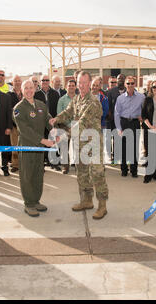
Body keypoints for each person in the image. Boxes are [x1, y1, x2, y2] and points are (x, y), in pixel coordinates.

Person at [50, 71, 109, 220]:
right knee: (82, 173)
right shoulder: (76, 99)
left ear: (89, 84)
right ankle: (86, 201)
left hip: (93, 144)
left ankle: (102, 206)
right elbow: (68, 112)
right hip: (80, 144)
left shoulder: (93, 102)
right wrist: (56, 118)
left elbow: (80, 124)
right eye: (79, 82)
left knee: (97, 174)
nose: (81, 86)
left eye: (84, 83)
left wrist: (63, 136)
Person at [13, 80, 55, 217]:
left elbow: (48, 120)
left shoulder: (41, 105)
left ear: (35, 88)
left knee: (38, 174)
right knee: (27, 175)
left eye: (31, 88)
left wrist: (54, 130)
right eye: (26, 88)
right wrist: (43, 140)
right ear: (22, 90)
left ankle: (36, 200)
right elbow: (25, 130)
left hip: (39, 147)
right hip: (27, 147)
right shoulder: (18, 108)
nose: (29, 91)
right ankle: (29, 204)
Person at [114, 76, 145, 177]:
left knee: (134, 148)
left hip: (134, 123)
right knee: (123, 148)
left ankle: (134, 170)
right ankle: (124, 169)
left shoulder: (141, 97)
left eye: (132, 83)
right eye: (128, 83)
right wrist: (119, 128)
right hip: (124, 123)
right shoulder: (120, 98)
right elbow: (117, 114)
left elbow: (144, 110)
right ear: (125, 85)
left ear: (135, 84)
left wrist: (142, 117)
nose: (130, 85)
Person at [35, 74, 60, 170]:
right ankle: (41, 164)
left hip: (52, 122)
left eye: (47, 80)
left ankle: (53, 162)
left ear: (49, 82)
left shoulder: (55, 94)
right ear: (40, 82)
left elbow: (58, 110)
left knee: (53, 142)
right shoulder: (36, 94)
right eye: (43, 80)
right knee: (41, 143)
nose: (45, 82)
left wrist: (55, 122)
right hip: (40, 123)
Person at [56, 79, 77, 174]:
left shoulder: (79, 99)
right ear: (66, 87)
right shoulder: (61, 100)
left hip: (77, 126)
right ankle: (65, 166)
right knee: (64, 147)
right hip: (64, 126)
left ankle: (78, 166)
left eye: (73, 85)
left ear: (75, 87)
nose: (71, 87)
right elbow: (59, 114)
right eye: (69, 85)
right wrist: (68, 126)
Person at [106, 74, 126, 163]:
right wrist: (111, 116)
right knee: (116, 138)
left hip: (125, 120)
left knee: (124, 139)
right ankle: (115, 157)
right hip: (114, 120)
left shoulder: (129, 90)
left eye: (122, 78)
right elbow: (108, 105)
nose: (120, 80)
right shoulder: (111, 91)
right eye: (119, 79)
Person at [7, 75, 23, 173]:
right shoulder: (8, 95)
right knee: (15, 145)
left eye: (19, 81)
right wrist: (9, 125)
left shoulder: (25, 93)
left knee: (25, 145)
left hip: (25, 126)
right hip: (14, 125)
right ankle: (15, 164)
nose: (17, 82)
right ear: (12, 83)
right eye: (15, 81)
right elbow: (7, 111)